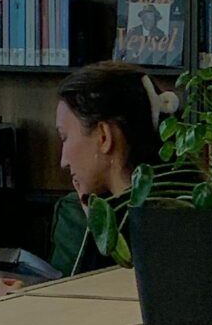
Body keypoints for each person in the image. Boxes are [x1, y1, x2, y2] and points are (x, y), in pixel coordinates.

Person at [48, 62, 193, 276]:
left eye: (65, 137)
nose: (63, 161)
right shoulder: (190, 200)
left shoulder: (153, 230)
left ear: (104, 137)